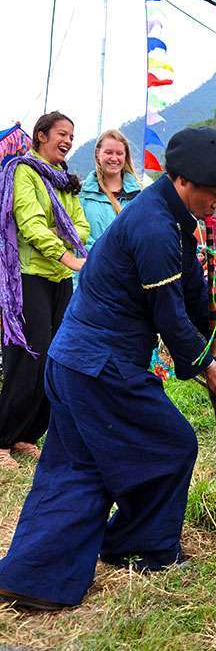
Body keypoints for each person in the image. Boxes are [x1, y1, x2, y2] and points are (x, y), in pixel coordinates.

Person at [0, 127, 216, 610]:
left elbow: (196, 295)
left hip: (77, 363)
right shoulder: (154, 226)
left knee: (80, 467)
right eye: (215, 195)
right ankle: (142, 547)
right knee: (172, 444)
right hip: (100, 366)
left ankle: (31, 577)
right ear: (181, 181)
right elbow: (169, 313)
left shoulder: (174, 219)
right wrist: (205, 368)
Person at [0, 112, 89, 470]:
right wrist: (66, 253)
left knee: (56, 357)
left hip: (59, 279)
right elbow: (31, 225)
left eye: (71, 135)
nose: (67, 140)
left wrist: (64, 244)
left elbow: (79, 225)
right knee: (28, 356)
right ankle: (2, 439)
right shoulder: (25, 171)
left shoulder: (65, 180)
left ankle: (27, 435)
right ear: (41, 136)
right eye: (61, 134)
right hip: (29, 277)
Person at [79, 129, 141, 250]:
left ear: (125, 156)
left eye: (119, 153)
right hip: (90, 265)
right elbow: (76, 235)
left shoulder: (140, 196)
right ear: (98, 153)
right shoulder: (80, 193)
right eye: (108, 152)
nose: (114, 158)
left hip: (126, 267)